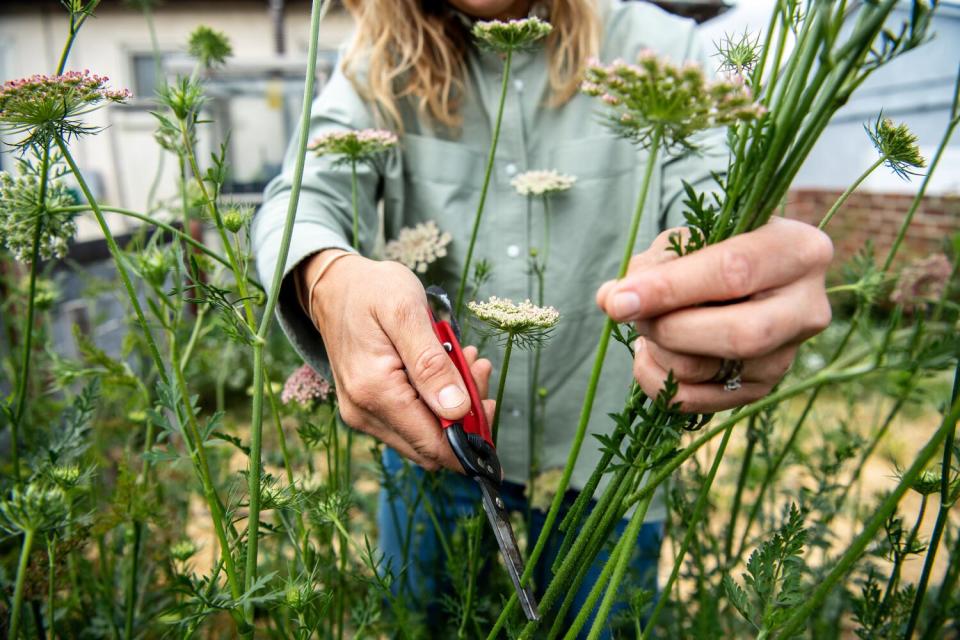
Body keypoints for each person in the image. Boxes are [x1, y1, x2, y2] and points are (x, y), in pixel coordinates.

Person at [252, 0, 833, 635]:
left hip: (605, 455)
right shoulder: (378, 59)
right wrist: (327, 279)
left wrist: (729, 279)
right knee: (421, 623)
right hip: (436, 439)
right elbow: (304, 193)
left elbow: (717, 208)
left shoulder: (662, 49)